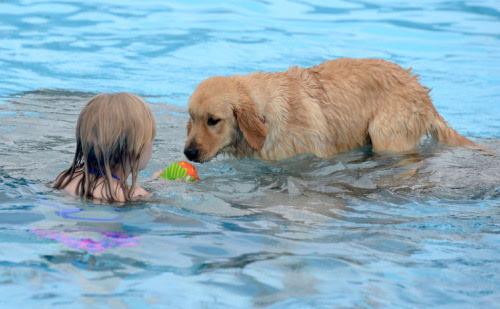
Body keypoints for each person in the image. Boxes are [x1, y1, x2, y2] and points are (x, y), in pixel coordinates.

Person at [53, 92, 158, 203]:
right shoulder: (134, 195)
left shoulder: (65, 178)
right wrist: (154, 186)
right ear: (136, 149)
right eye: (151, 139)